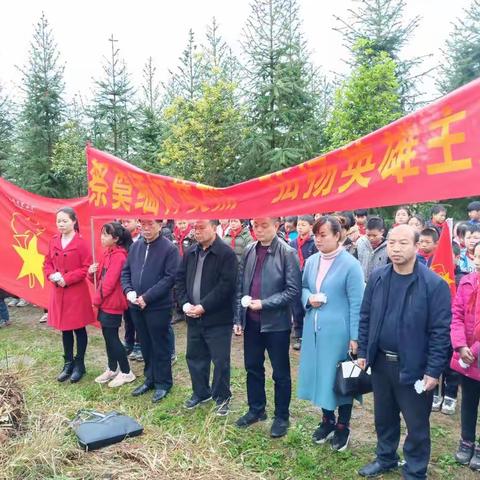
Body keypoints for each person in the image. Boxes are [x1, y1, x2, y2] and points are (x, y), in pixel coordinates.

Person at [357, 225, 451, 480]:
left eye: (402, 243)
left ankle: (415, 469)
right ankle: (385, 457)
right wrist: (364, 350)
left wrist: (433, 370)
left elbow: (440, 332)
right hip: (380, 362)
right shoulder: (378, 277)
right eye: (391, 243)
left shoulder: (433, 285)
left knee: (416, 424)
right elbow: (365, 317)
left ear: (416, 245)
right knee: (384, 417)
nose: (396, 249)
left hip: (415, 367)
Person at [297, 216, 364, 452]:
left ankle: (343, 426)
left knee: (341, 379)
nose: (318, 239)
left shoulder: (350, 265)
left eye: (323, 234)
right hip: (314, 330)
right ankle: (327, 420)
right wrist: (308, 299)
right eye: (316, 235)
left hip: (340, 333)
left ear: (338, 235)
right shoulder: (313, 261)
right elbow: (303, 287)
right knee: (321, 377)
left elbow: (358, 303)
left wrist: (355, 337)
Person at [234, 217, 301, 438]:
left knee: (280, 373)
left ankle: (282, 416)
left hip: (276, 324)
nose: (259, 230)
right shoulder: (250, 249)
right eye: (256, 226)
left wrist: (264, 303)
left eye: (265, 226)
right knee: (253, 367)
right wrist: (238, 318)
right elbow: (241, 286)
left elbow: (292, 291)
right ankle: (256, 409)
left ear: (276, 226)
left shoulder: (287, 252)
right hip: (251, 322)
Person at [176, 219, 238, 416]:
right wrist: (185, 303)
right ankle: (200, 392)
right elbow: (180, 279)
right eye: (195, 228)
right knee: (195, 356)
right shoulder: (191, 252)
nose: (197, 231)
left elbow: (226, 286)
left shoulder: (225, 253)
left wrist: (203, 306)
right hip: (192, 315)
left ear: (214, 228)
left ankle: (221, 397)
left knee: (220, 360)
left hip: (217, 318)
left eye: (202, 227)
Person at [121, 219, 180, 403]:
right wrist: (128, 290)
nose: (146, 229)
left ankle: (164, 383)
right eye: (143, 225)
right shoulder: (136, 246)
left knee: (160, 345)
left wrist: (147, 297)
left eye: (151, 225)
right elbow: (126, 272)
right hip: (136, 305)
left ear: (160, 225)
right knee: (145, 343)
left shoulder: (169, 248)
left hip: (157, 306)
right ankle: (150, 378)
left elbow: (170, 278)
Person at [43, 207, 95, 383]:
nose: (61, 224)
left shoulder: (81, 242)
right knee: (65, 329)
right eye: (59, 221)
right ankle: (68, 363)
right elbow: (47, 262)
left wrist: (67, 278)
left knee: (79, 328)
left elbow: (86, 267)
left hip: (76, 292)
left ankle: (80, 364)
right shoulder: (54, 240)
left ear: (74, 221)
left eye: (65, 220)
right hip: (59, 292)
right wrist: (51, 275)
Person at [88, 222, 136, 388]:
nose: (102, 237)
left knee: (113, 338)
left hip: (113, 303)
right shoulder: (108, 253)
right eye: (102, 234)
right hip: (105, 302)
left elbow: (109, 283)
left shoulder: (119, 256)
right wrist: (90, 273)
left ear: (115, 239)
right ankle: (112, 367)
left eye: (106, 235)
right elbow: (99, 278)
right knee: (107, 336)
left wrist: (96, 299)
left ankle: (126, 371)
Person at [450, 242, 480, 469]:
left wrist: (475, 349)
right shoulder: (467, 282)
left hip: (476, 352)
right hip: (467, 355)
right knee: (468, 400)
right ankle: (466, 440)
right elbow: (457, 315)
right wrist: (460, 345)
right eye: (476, 255)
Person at [289, 215, 316, 350]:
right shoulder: (293, 243)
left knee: (308, 307)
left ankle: (310, 335)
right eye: (299, 225)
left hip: (309, 279)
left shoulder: (314, 243)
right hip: (295, 278)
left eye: (303, 225)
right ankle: (299, 335)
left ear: (311, 227)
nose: (300, 228)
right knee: (296, 307)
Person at [121, 218, 141, 357]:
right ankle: (129, 341)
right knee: (127, 316)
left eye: (128, 221)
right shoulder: (123, 241)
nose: (125, 224)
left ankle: (139, 344)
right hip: (127, 286)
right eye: (122, 222)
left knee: (138, 316)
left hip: (140, 285)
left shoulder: (141, 240)